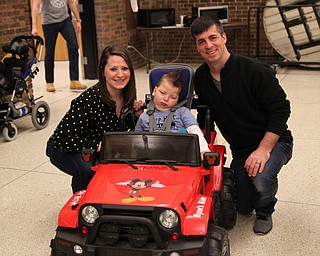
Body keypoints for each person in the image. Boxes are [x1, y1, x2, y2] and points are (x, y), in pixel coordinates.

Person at [190, 15, 293, 235]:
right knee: (244, 207)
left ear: (224, 37)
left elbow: (281, 109)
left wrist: (264, 150)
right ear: (197, 46)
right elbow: (204, 115)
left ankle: (265, 211)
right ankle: (254, 198)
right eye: (201, 41)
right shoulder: (200, 77)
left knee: (261, 181)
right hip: (241, 149)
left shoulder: (254, 70)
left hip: (274, 142)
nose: (209, 45)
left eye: (213, 37)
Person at [46, 45, 144, 193]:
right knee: (88, 169)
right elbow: (62, 138)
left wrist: (136, 117)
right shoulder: (89, 100)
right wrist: (98, 145)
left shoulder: (127, 93)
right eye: (113, 69)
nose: (120, 74)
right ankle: (81, 204)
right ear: (103, 72)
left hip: (101, 145)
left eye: (125, 69)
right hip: (65, 147)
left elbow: (122, 129)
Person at [135, 71, 210, 156]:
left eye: (173, 97)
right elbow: (136, 140)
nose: (166, 99)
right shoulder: (144, 116)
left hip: (179, 156)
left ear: (177, 100)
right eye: (162, 93)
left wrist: (203, 150)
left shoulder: (182, 112)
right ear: (155, 91)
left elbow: (195, 131)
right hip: (150, 156)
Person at [31, 0, 87, 92]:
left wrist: (78, 20)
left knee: (73, 46)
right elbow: (36, 7)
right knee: (50, 52)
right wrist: (34, 26)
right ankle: (49, 82)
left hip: (65, 21)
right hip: (49, 23)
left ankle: (74, 80)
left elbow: (71, 3)